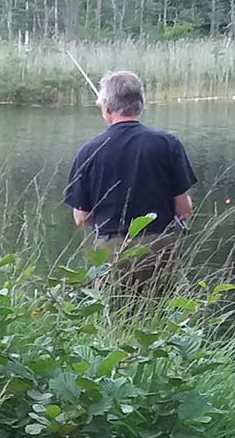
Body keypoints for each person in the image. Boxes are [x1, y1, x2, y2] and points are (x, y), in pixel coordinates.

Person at [63, 69, 196, 293]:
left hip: (111, 249)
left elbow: (81, 218)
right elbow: (184, 209)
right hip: (159, 246)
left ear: (106, 108)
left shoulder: (88, 152)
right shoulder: (167, 144)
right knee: (169, 307)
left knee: (115, 311)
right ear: (140, 104)